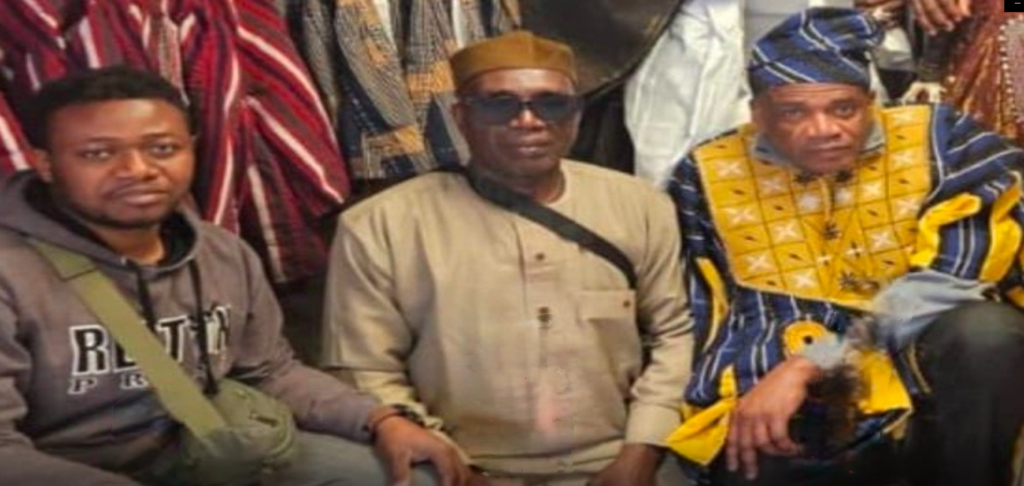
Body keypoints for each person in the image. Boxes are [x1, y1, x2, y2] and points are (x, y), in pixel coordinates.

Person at [0, 66, 467, 486]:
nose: (138, 170)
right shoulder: (12, 271)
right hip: (63, 467)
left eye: (162, 149)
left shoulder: (221, 253)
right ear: (45, 164)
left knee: (420, 476)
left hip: (208, 448)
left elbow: (270, 371)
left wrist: (381, 420)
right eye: (98, 154)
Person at [665, 7, 1024, 486]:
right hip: (775, 357)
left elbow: (951, 279)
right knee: (751, 452)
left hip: (913, 347)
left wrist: (817, 361)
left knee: (986, 333)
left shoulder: (939, 140)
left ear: (870, 101)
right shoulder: (707, 172)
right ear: (757, 115)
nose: (824, 129)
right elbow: (702, 307)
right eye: (794, 112)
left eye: (843, 109)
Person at [322, 31, 695, 486]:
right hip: (455, 465)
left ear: (576, 115)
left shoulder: (641, 207)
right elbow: (364, 367)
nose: (528, 121)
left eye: (551, 104)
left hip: (621, 458)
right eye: (499, 105)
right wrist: (444, 459)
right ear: (461, 116)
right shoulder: (379, 225)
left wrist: (644, 447)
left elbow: (674, 334)